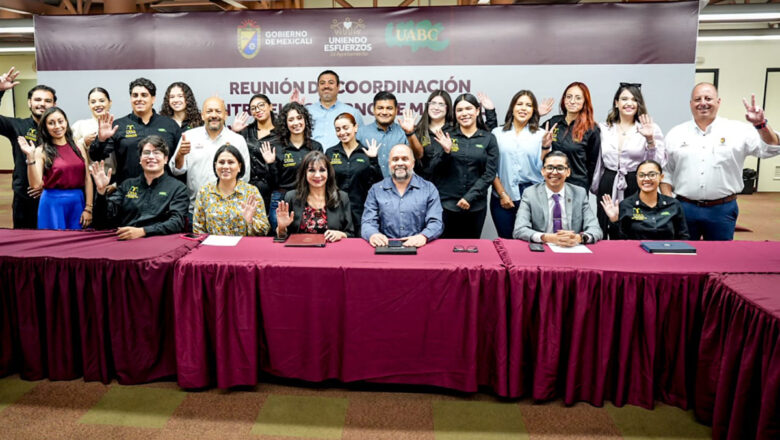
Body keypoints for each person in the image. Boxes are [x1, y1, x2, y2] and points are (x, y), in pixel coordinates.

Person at [661, 83, 780, 240]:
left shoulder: (737, 130)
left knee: (720, 259)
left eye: (708, 98)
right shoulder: (676, 134)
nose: (703, 103)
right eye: (698, 99)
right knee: (683, 257)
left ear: (718, 102)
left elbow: (771, 148)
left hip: (722, 209)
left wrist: (761, 125)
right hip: (684, 207)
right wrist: (670, 203)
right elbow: (667, 172)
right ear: (691, 104)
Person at [593, 83, 665, 238]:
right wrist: (596, 185)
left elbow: (657, 163)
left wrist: (650, 139)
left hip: (634, 182)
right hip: (609, 180)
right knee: (605, 224)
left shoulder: (650, 128)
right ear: (616, 103)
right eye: (624, 99)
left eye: (634, 100)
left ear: (638, 104)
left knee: (633, 227)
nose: (629, 103)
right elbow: (597, 160)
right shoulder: (604, 128)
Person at [90, 135, 189, 239]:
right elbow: (102, 221)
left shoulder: (178, 188)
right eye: (146, 153)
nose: (151, 157)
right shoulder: (127, 185)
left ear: (165, 159)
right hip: (126, 241)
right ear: (140, 159)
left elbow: (177, 223)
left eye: (156, 153)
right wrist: (101, 192)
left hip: (160, 242)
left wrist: (143, 231)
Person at [429, 93, 499, 239]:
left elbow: (490, 173)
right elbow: (434, 169)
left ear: (477, 111)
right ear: (454, 114)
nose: (464, 113)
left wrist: (469, 197)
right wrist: (446, 152)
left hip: (475, 206)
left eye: (468, 108)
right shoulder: (446, 135)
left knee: (470, 251)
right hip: (446, 205)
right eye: (459, 110)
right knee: (445, 252)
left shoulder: (488, 138)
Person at [490, 90, 555, 239]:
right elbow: (490, 168)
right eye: (519, 104)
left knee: (530, 242)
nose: (523, 108)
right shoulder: (497, 133)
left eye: (528, 105)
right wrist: (502, 194)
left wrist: (545, 147)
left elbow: (544, 170)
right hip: (502, 194)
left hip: (532, 195)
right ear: (512, 108)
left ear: (533, 111)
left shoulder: (541, 135)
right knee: (506, 241)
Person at [169, 96, 250, 216]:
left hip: (230, 211)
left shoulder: (237, 140)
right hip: (197, 210)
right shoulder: (189, 136)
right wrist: (180, 155)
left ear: (226, 115)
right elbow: (176, 171)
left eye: (218, 111)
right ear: (202, 115)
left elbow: (244, 177)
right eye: (209, 111)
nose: (213, 115)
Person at [92, 78, 181, 184]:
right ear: (130, 98)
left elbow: (180, 163)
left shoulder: (170, 125)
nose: (139, 99)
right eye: (135, 95)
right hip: (129, 192)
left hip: (164, 192)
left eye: (144, 95)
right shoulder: (118, 126)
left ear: (153, 99)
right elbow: (96, 156)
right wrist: (101, 140)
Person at [18, 107, 93, 230]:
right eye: (51, 123)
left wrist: (89, 208)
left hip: (77, 201)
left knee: (78, 244)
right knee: (54, 244)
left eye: (60, 121)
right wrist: (30, 157)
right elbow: (35, 184)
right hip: (52, 204)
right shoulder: (41, 151)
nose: (57, 126)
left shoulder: (78, 146)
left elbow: (87, 179)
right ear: (45, 127)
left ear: (66, 122)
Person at [0, 66, 57, 228]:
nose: (42, 104)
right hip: (25, 197)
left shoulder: (60, 130)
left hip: (53, 196)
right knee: (25, 244)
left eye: (47, 101)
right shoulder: (18, 126)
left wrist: (46, 184)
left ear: (54, 104)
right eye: (37, 100)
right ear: (29, 103)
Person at [513, 151, 602, 246]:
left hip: (572, 248)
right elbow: (519, 229)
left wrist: (579, 238)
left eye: (560, 168)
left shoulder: (579, 193)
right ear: (543, 171)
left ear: (568, 172)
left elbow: (595, 229)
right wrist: (548, 237)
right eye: (550, 168)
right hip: (543, 247)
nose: (554, 172)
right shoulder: (530, 193)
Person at [362, 144, 443, 247]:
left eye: (405, 159)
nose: (400, 163)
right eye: (395, 159)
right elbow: (368, 222)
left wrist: (424, 236)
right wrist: (373, 234)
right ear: (389, 163)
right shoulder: (376, 190)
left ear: (413, 163)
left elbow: (436, 222)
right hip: (385, 247)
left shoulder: (429, 189)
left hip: (420, 247)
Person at [262, 102, 323, 231]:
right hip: (281, 200)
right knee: (280, 239)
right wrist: (270, 163)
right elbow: (272, 183)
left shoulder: (315, 147)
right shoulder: (276, 148)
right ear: (285, 124)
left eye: (299, 118)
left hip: (309, 199)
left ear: (306, 120)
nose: (296, 123)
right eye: (291, 119)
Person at [326, 112, 383, 237]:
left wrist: (373, 160)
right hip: (336, 210)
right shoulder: (330, 153)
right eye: (338, 129)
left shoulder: (366, 152)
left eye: (346, 128)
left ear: (355, 127)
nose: (342, 132)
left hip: (360, 210)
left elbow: (378, 184)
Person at [601, 160, 688, 240]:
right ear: (637, 178)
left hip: (667, 253)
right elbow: (618, 241)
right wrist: (614, 220)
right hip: (636, 254)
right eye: (641, 175)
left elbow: (683, 237)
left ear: (661, 177)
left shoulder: (673, 205)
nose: (646, 179)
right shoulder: (626, 205)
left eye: (652, 174)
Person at [275, 151, 353, 241]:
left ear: (329, 173)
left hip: (331, 251)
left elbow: (350, 233)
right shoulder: (291, 197)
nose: (317, 175)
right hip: (300, 251)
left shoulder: (342, 197)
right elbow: (282, 236)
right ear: (304, 173)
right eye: (311, 170)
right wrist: (281, 227)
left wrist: (341, 234)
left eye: (322, 170)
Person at [192, 144, 269, 236]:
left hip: (243, 247)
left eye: (231, 162)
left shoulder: (251, 192)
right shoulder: (204, 192)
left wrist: (251, 221)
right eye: (221, 162)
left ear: (239, 166)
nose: (225, 166)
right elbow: (198, 230)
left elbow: (264, 230)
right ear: (215, 166)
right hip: (212, 247)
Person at [543, 81, 600, 190]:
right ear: (564, 100)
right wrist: (538, 114)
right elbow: (530, 138)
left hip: (577, 186)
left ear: (585, 101)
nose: (572, 101)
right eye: (569, 97)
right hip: (552, 184)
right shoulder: (553, 123)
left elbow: (593, 164)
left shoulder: (591, 129)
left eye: (578, 98)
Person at [291, 70, 362, 148]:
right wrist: (294, 109)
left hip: (341, 158)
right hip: (312, 157)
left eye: (331, 83)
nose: (326, 86)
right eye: (322, 83)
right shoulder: (306, 111)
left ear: (338, 87)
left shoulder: (352, 112)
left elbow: (359, 141)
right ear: (318, 87)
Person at [229, 93, 278, 209]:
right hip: (247, 189)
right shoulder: (245, 131)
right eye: (253, 108)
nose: (258, 110)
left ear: (270, 106)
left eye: (261, 105)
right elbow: (228, 153)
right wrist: (234, 132)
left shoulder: (281, 133)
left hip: (273, 190)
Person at [356, 91, 408, 177]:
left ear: (396, 110)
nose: (384, 112)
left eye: (389, 108)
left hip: (399, 186)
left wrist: (410, 133)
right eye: (380, 108)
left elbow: (418, 157)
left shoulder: (404, 133)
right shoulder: (360, 133)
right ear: (374, 110)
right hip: (368, 187)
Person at [406, 89, 454, 180]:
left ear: (447, 108)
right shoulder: (417, 131)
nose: (436, 108)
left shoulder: (454, 130)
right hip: (422, 186)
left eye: (441, 104)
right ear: (428, 106)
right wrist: (410, 133)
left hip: (448, 188)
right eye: (433, 103)